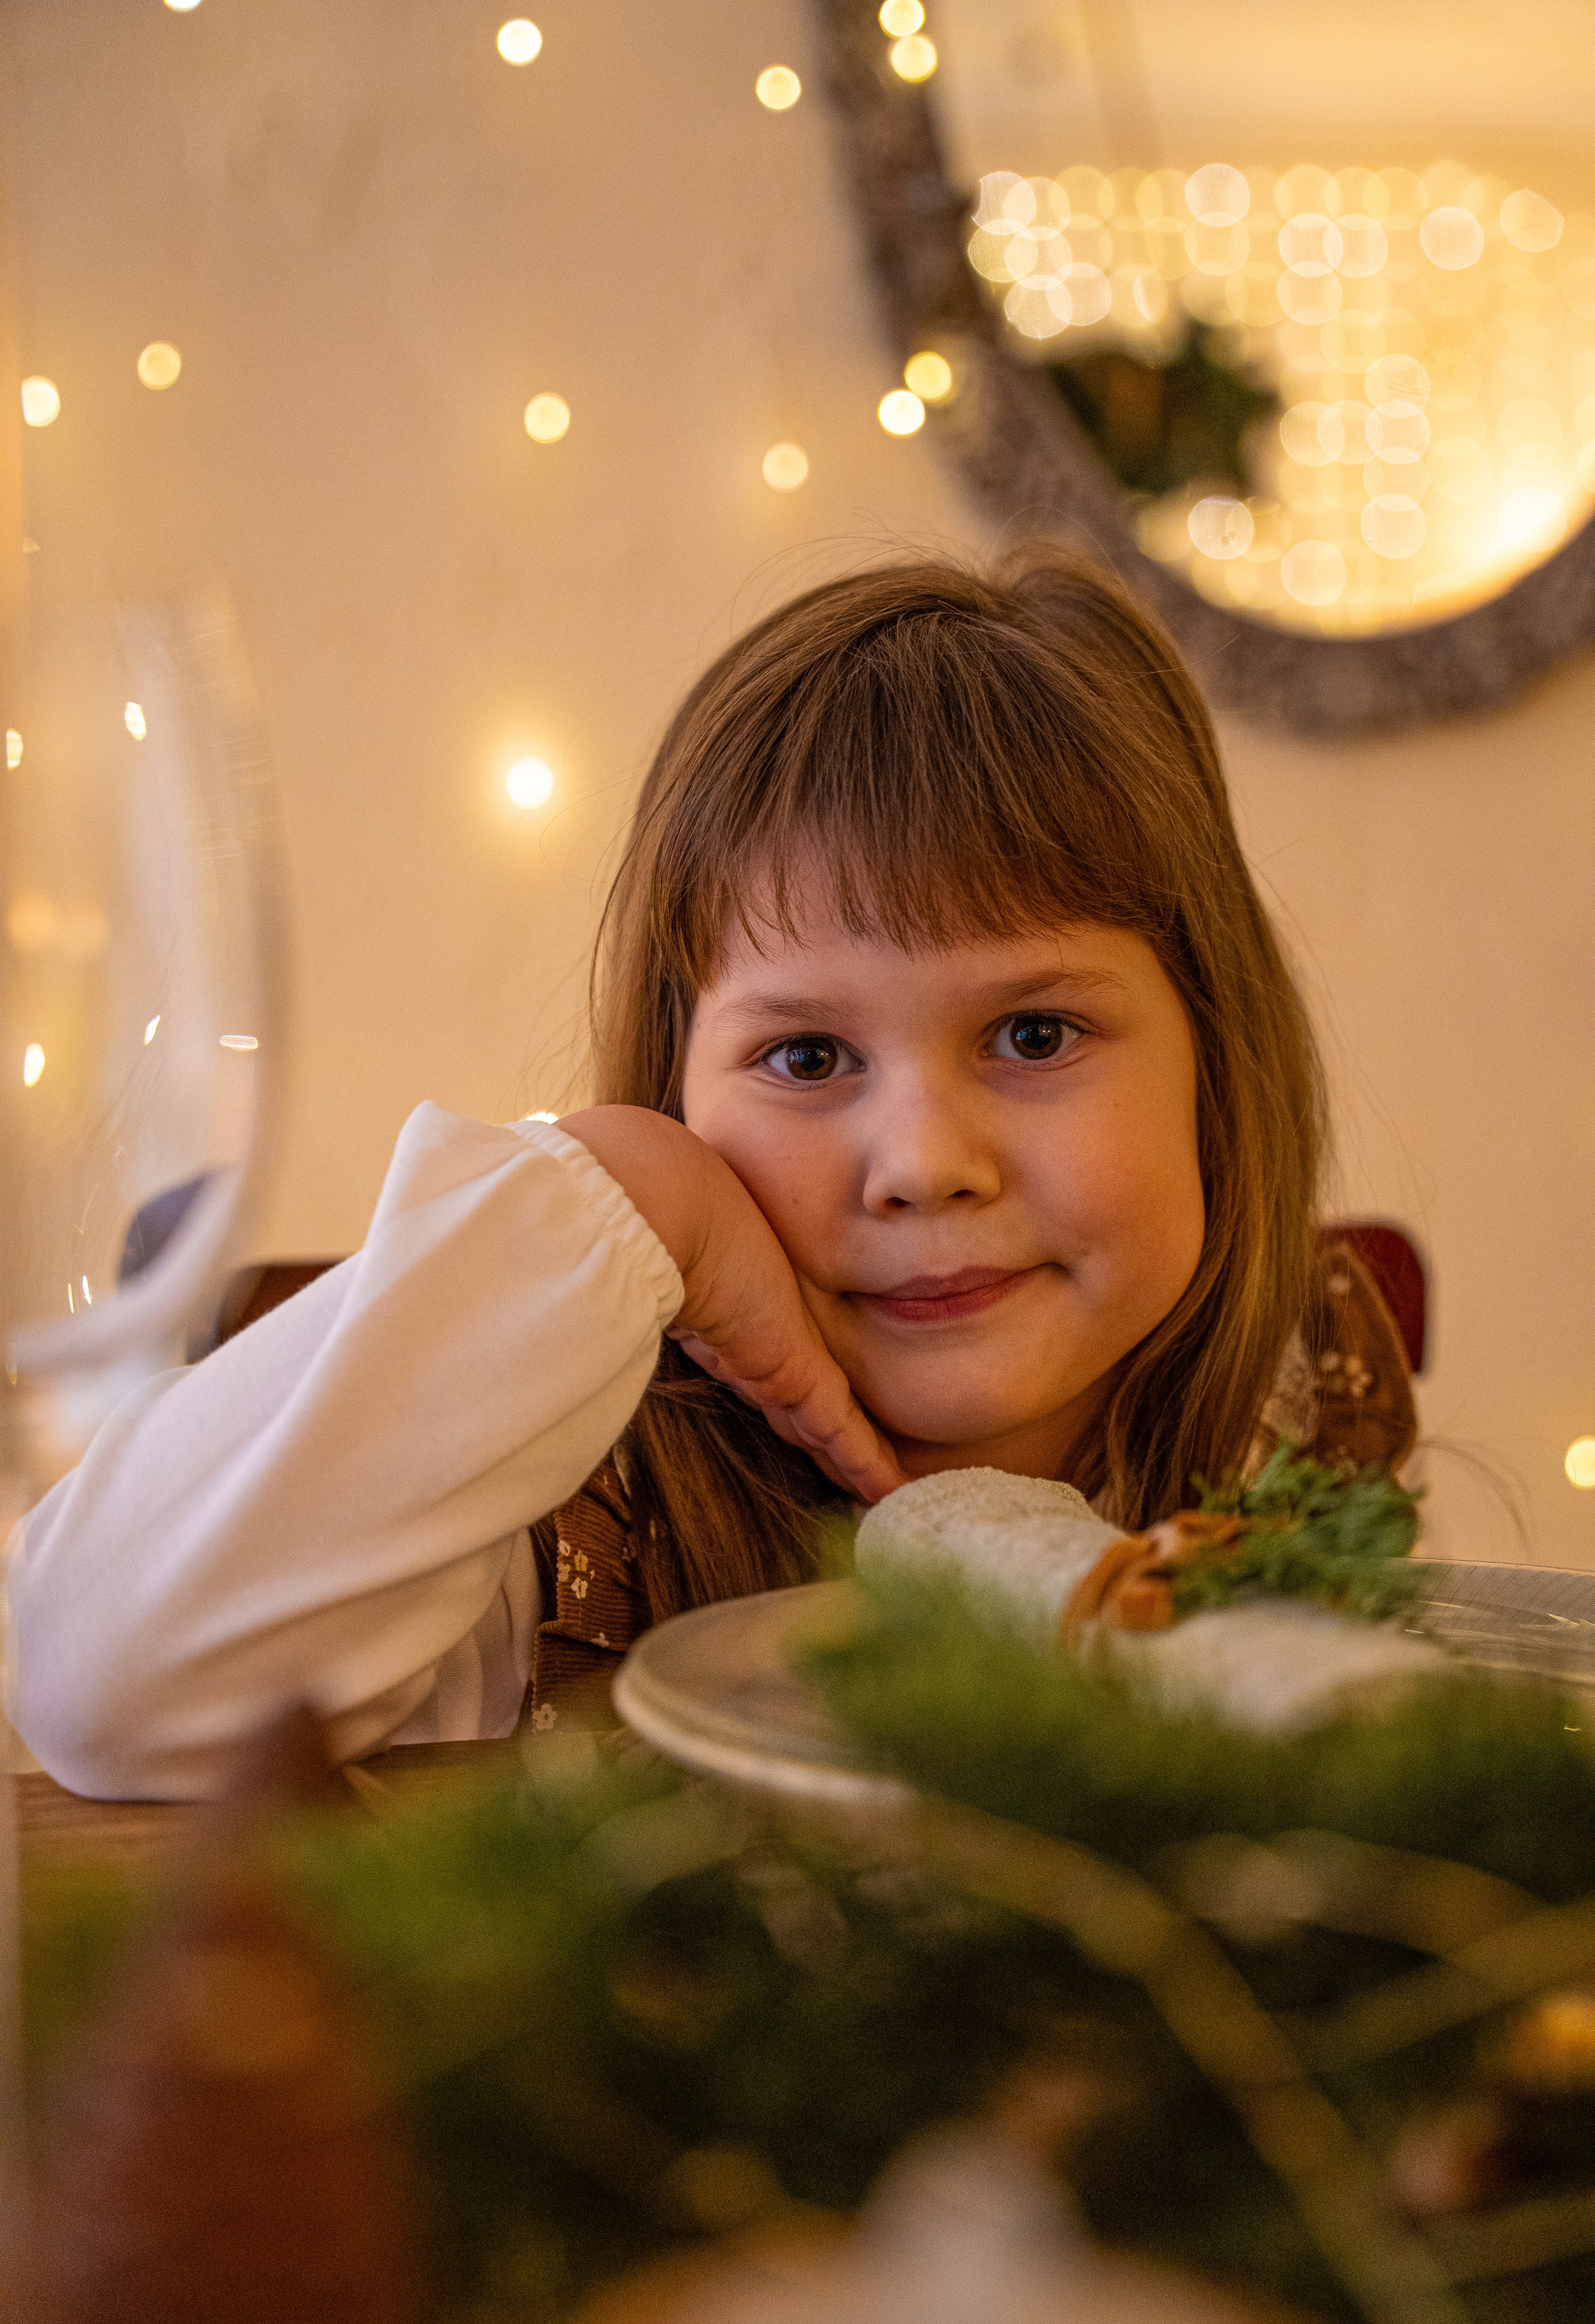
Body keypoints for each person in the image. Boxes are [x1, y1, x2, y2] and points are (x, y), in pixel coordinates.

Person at [5, 550, 1414, 1799]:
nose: (923, 1165)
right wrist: (613, 1187)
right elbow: (89, 1680)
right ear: (676, 1088)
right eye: (805, 1058)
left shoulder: (1292, 1420)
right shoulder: (535, 1494)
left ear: (1214, 1058)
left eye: (1031, 1034)